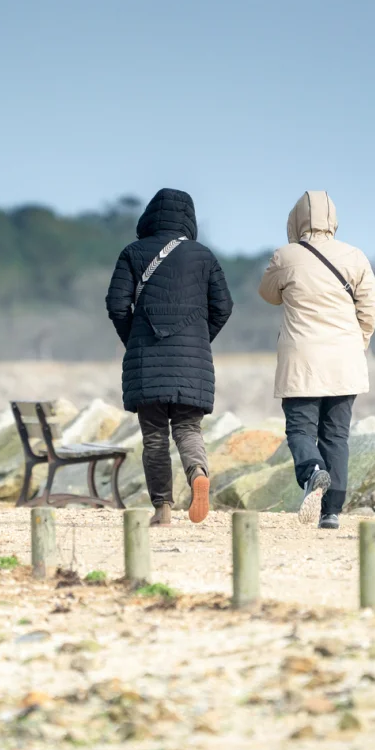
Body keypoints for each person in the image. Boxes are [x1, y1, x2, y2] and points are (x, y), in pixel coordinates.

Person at [106, 188, 233, 526]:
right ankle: (198, 474)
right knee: (188, 428)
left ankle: (162, 509)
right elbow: (223, 307)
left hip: (146, 360)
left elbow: (117, 305)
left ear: (149, 215)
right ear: (188, 219)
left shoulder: (132, 253)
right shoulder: (203, 256)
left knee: (154, 437)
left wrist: (134, 338)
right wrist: (200, 340)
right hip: (192, 363)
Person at [259, 191, 375, 529]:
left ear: (296, 219)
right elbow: (372, 306)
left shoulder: (286, 255)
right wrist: (360, 341)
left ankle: (313, 470)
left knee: (300, 427)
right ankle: (331, 512)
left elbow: (268, 294)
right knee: (336, 435)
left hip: (302, 358)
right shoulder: (354, 256)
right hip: (345, 358)